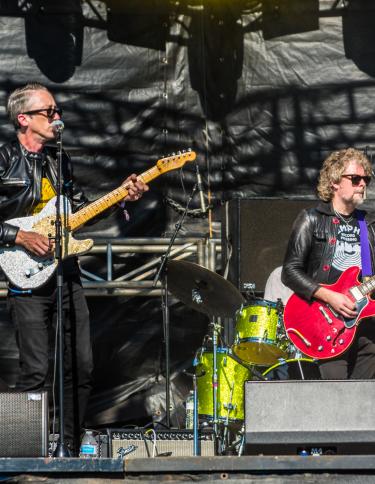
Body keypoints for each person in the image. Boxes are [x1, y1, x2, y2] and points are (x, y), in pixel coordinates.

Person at [0, 83, 148, 455]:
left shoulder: (58, 160)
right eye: (48, 112)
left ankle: (70, 445)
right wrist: (19, 236)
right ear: (23, 119)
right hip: (26, 275)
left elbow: (79, 213)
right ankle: (22, 453)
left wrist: (119, 198)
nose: (57, 118)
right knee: (36, 370)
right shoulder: (3, 158)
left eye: (56, 111)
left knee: (81, 366)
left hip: (66, 272)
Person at [282, 147, 375, 379]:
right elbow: (290, 271)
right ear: (334, 182)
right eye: (355, 179)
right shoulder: (311, 219)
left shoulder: (369, 225)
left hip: (366, 326)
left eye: (366, 179)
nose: (362, 184)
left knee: (364, 404)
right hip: (327, 323)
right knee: (336, 402)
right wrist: (329, 296)